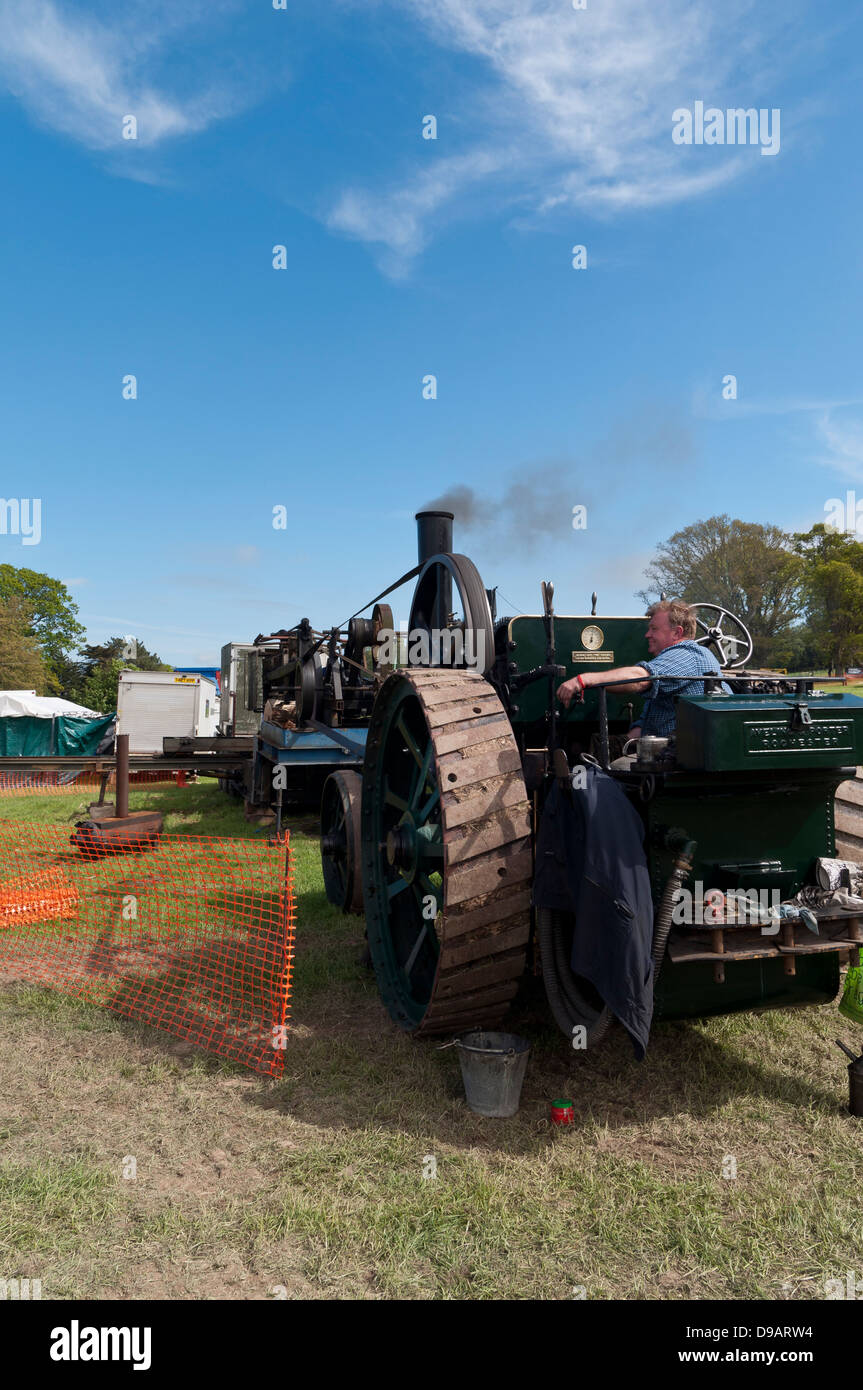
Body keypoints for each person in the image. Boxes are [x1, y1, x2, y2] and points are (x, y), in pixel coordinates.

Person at [556, 600, 730, 740]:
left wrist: (584, 680)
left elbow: (640, 678)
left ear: (677, 633)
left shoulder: (687, 654)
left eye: (654, 629)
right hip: (670, 749)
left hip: (682, 756)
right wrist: (623, 742)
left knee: (597, 780)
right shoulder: (676, 662)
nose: (647, 635)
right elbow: (651, 725)